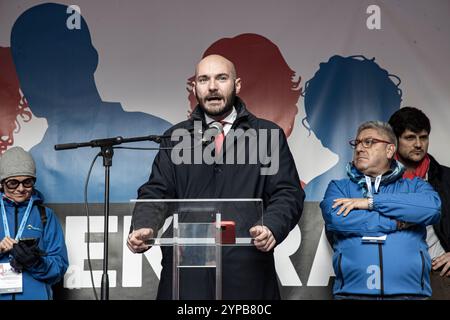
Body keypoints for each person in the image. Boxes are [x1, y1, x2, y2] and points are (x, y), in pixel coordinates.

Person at [127, 54, 304, 299]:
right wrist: (144, 225)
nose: (212, 86)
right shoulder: (176, 137)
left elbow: (287, 193)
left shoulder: (267, 135)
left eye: (221, 78)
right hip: (187, 272)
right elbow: (156, 191)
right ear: (194, 87)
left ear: (237, 84)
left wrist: (271, 226)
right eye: (203, 79)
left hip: (246, 269)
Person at [10, 3, 171, 203]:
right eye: (25, 62)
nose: (35, 76)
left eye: (51, 57)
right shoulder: (31, 166)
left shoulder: (157, 137)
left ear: (90, 58)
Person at [321, 121, 440, 299]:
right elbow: (337, 219)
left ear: (390, 150)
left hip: (410, 295)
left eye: (368, 142)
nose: (360, 148)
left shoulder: (415, 186)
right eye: (357, 143)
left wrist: (371, 202)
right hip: (352, 295)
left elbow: (431, 208)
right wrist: (398, 222)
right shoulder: (339, 188)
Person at [388, 107, 450, 299]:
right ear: (394, 140)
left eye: (423, 137)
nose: (418, 144)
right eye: (410, 137)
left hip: (440, 275)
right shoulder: (375, 179)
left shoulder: (447, 178)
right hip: (391, 276)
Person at [0, 146, 68, 300]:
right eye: (13, 183)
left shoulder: (45, 215)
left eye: (27, 182)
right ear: (2, 183)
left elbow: (60, 266)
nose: (21, 189)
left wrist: (35, 262)